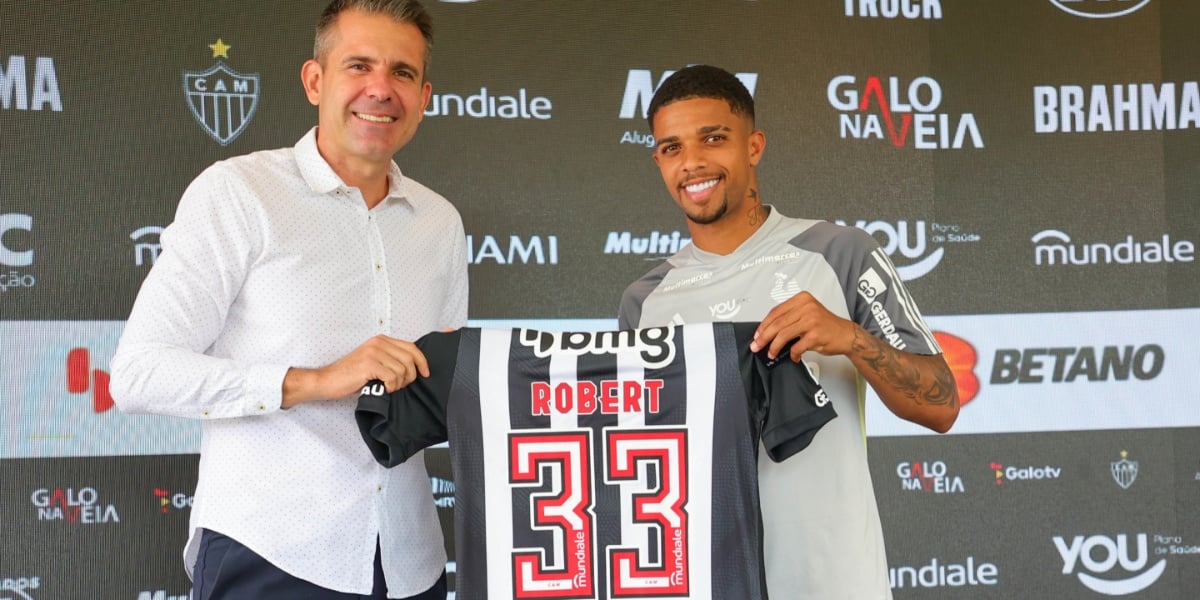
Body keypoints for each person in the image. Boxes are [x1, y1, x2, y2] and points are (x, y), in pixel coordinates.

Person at [110, 1, 464, 598]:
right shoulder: (238, 192)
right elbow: (139, 375)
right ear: (315, 80)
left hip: (408, 562)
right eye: (359, 66)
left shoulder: (440, 221)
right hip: (271, 551)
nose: (381, 89)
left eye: (402, 73)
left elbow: (440, 390)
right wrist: (318, 379)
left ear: (424, 95)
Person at [618, 64, 960, 600]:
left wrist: (850, 337)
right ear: (658, 160)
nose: (693, 164)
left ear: (753, 146)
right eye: (672, 148)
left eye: (713, 139)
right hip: (706, 583)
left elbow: (942, 404)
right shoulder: (644, 299)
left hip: (834, 581)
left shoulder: (839, 252)